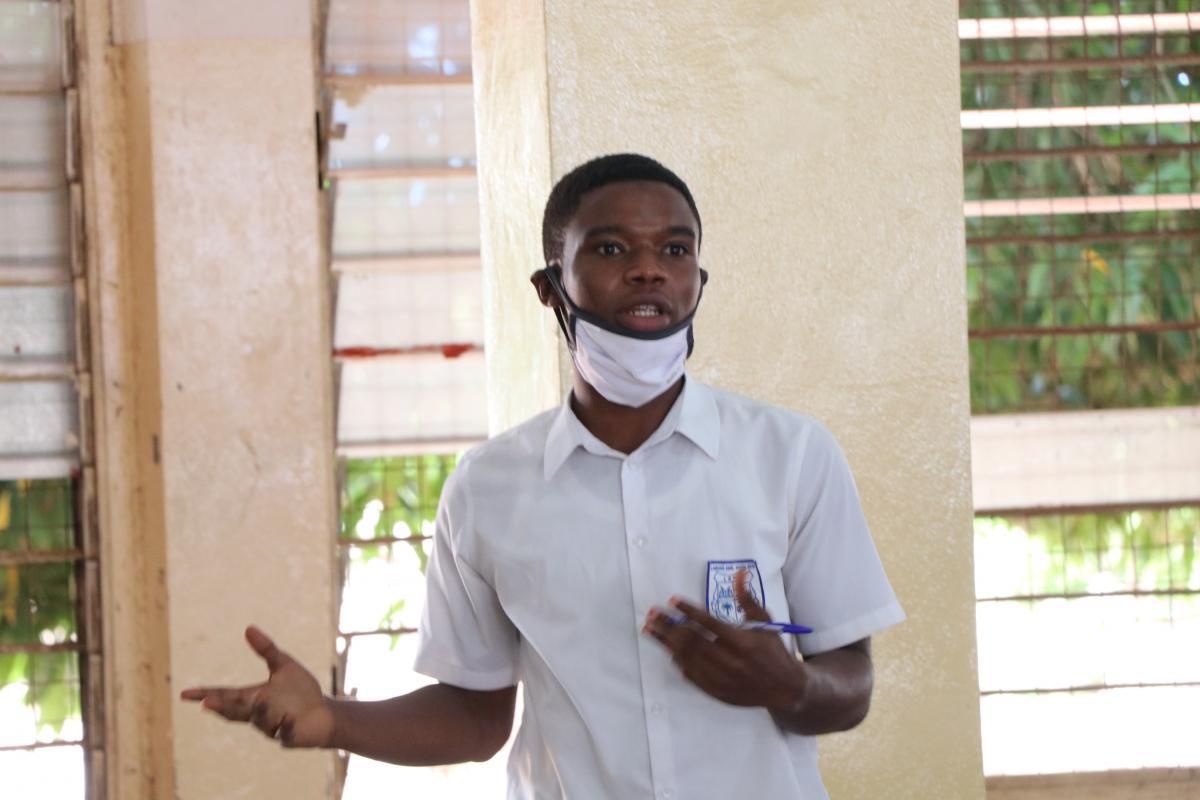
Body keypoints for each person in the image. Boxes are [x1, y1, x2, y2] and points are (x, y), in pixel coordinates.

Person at [183, 153, 905, 798]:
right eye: (611, 248)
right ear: (550, 286)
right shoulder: (488, 488)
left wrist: (791, 685)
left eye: (675, 249)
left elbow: (852, 686)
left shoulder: (791, 455)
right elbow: (475, 718)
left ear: (698, 280)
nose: (649, 269)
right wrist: (333, 719)